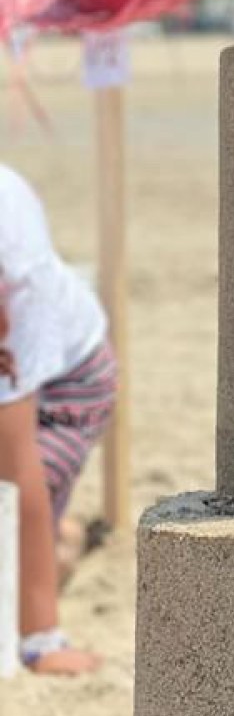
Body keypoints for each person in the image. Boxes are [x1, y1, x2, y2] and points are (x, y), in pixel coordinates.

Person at [0, 163, 113, 676]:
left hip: (70, 388)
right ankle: (56, 534)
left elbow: (16, 478)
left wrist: (39, 640)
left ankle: (54, 553)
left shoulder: (16, 287)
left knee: (24, 503)